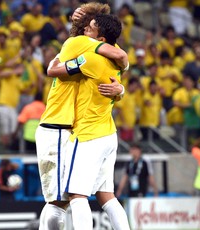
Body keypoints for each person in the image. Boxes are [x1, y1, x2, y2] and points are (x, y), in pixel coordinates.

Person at [35, 3, 128, 230]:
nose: (87, 27)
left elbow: (52, 70)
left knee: (72, 197)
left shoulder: (86, 51)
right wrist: (122, 89)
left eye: (92, 24)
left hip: (80, 131)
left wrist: (54, 64)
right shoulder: (89, 48)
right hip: (68, 126)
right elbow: (122, 57)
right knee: (96, 196)